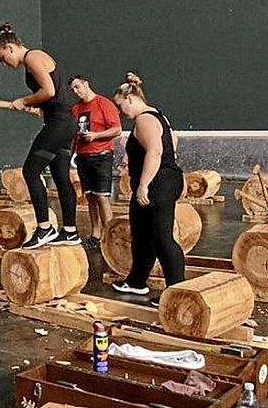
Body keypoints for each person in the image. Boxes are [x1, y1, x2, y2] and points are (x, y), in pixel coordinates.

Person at [0, 22, 80, 249]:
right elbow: (53, 95)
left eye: (3, 58)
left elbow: (49, 90)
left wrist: (25, 100)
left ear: (10, 47)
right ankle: (70, 231)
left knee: (30, 171)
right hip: (63, 120)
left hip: (59, 123)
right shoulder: (36, 58)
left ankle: (45, 227)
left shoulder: (32, 58)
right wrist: (37, 106)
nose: (5, 64)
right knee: (60, 175)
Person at [110, 72, 184, 307]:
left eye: (120, 106)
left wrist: (144, 185)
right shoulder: (157, 116)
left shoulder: (144, 119)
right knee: (141, 232)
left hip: (158, 182)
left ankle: (177, 290)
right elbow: (173, 142)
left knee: (162, 237)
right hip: (163, 178)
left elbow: (155, 151)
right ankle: (136, 281)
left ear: (129, 98)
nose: (121, 112)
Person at [69, 75, 122, 247]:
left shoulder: (103, 103)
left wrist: (96, 136)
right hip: (83, 157)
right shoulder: (75, 109)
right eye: (73, 89)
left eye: (78, 87)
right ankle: (96, 234)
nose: (76, 92)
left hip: (102, 156)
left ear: (86, 84)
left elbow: (117, 129)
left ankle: (109, 236)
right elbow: (73, 137)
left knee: (102, 197)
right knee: (90, 196)